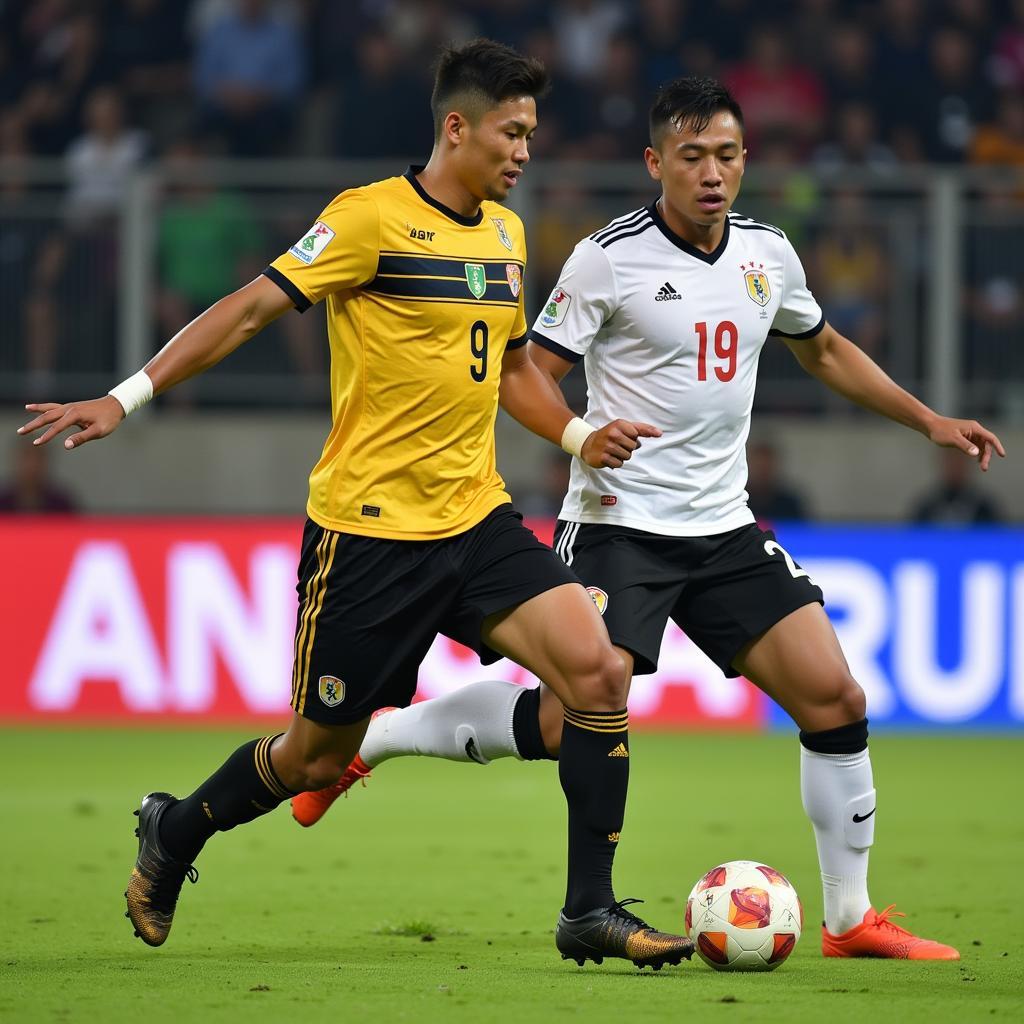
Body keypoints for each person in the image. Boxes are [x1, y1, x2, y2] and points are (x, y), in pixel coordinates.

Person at [294, 76, 1007, 962]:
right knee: (566, 723)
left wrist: (928, 419)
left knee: (836, 698)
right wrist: (568, 440)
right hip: (617, 528)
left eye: (729, 155)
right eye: (693, 157)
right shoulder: (606, 258)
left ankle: (849, 918)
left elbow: (820, 347)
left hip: (724, 529)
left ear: (746, 160)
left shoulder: (768, 254)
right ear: (656, 163)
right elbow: (531, 372)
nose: (713, 174)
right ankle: (389, 735)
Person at [18, 39, 693, 971]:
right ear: (456, 127)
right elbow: (250, 309)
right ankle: (174, 832)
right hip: (370, 538)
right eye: (512, 133)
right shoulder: (367, 219)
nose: (525, 153)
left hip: (478, 520)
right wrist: (124, 396)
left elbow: (507, 373)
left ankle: (590, 911)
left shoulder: (503, 235)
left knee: (599, 676)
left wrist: (578, 436)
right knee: (312, 759)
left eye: (531, 135)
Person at [909, 448, 1004, 525]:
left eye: (960, 461)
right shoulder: (927, 507)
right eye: (951, 461)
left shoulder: (984, 508)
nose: (955, 466)